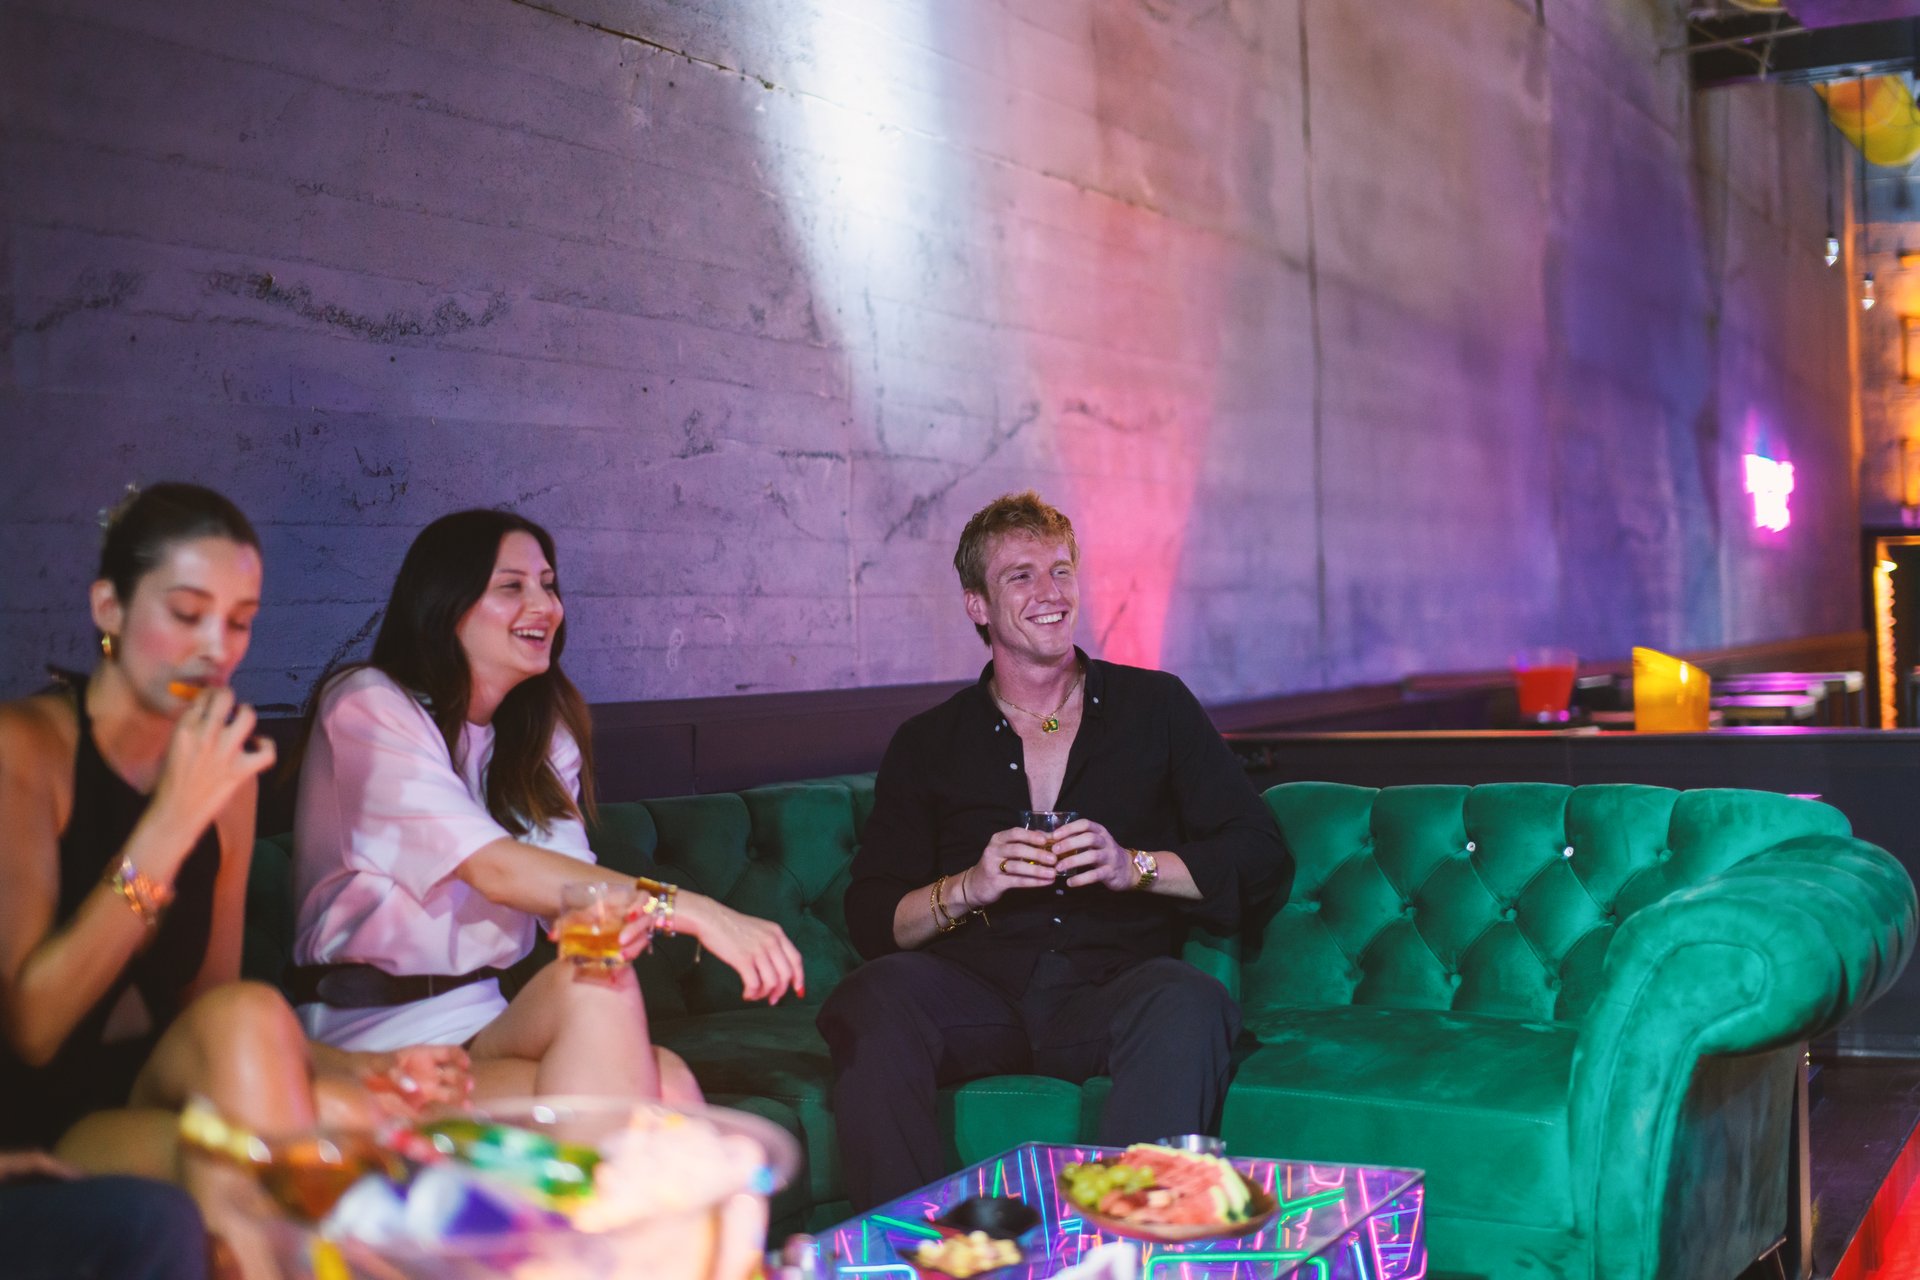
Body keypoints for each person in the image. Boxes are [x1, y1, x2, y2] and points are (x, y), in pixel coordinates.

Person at [0, 483, 468, 1274]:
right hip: (44, 1121)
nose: (216, 645)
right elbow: (34, 1029)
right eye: (186, 614)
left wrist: (368, 1067)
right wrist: (169, 825)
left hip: (157, 1089)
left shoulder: (225, 775)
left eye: (240, 621)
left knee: (335, 1095)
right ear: (108, 608)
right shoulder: (28, 751)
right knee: (297, 1145)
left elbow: (212, 1013)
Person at [818, 490, 1293, 1208]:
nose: (1051, 593)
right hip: (972, 992)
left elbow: (1259, 854)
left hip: (1113, 987)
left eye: (1062, 571)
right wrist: (970, 886)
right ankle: (910, 1255)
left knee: (1190, 1003)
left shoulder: (1156, 708)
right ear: (978, 604)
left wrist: (1130, 866)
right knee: (871, 1000)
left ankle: (1122, 1249)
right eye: (1022, 576)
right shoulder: (928, 743)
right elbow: (871, 916)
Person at [291, 508, 806, 1103]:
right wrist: (697, 913)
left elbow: (570, 898)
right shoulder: (367, 704)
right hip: (367, 1039)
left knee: (618, 1007)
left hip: (486, 1020)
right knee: (653, 1085)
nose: (545, 606)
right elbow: (497, 869)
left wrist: (610, 924)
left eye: (548, 584)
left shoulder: (539, 733)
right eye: (511, 587)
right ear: (444, 604)